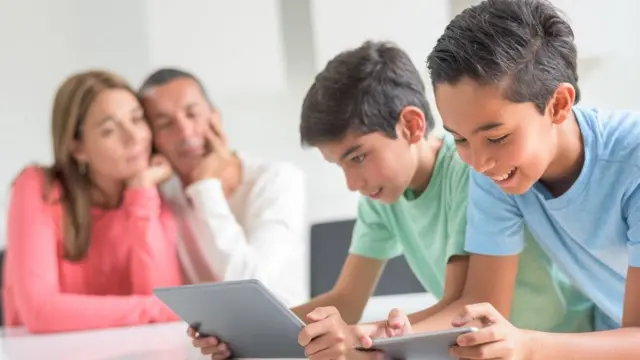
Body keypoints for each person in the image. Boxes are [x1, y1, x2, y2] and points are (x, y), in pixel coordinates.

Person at [189, 41, 594, 360]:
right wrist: (244, 336)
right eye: (339, 165)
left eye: (358, 157)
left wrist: (358, 336)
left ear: (412, 125)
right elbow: (346, 299)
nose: (351, 182)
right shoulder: (381, 198)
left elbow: (460, 305)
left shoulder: (468, 172)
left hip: (555, 342)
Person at [422, 0, 640, 358]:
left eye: (496, 137)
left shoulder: (632, 163)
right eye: (459, 138)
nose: (477, 162)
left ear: (557, 105)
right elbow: (482, 303)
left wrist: (527, 345)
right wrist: (376, 337)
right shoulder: (497, 171)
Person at [2, 70, 182, 333]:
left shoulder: (147, 192)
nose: (134, 138)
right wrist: (153, 310)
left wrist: (142, 192)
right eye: (109, 130)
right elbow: (40, 312)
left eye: (137, 119)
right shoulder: (38, 185)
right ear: (78, 149)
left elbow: (163, 297)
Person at [138, 69, 307, 307]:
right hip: (205, 342)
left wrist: (205, 186)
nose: (185, 132)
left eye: (192, 114)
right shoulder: (165, 199)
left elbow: (257, 292)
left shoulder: (277, 179)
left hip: (286, 337)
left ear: (215, 118)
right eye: (165, 124)